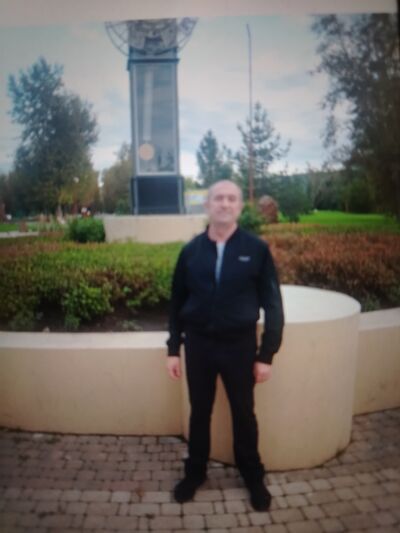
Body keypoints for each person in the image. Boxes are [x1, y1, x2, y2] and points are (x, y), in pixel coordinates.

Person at [166, 180, 284, 511]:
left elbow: (273, 305)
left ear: (240, 207)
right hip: (199, 346)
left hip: (239, 347)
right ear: (207, 205)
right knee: (199, 412)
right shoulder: (191, 252)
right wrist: (173, 349)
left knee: (243, 413)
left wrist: (266, 354)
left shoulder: (256, 249)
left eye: (232, 198)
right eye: (218, 198)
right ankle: (195, 473)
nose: (225, 203)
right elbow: (176, 303)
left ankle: (253, 476)